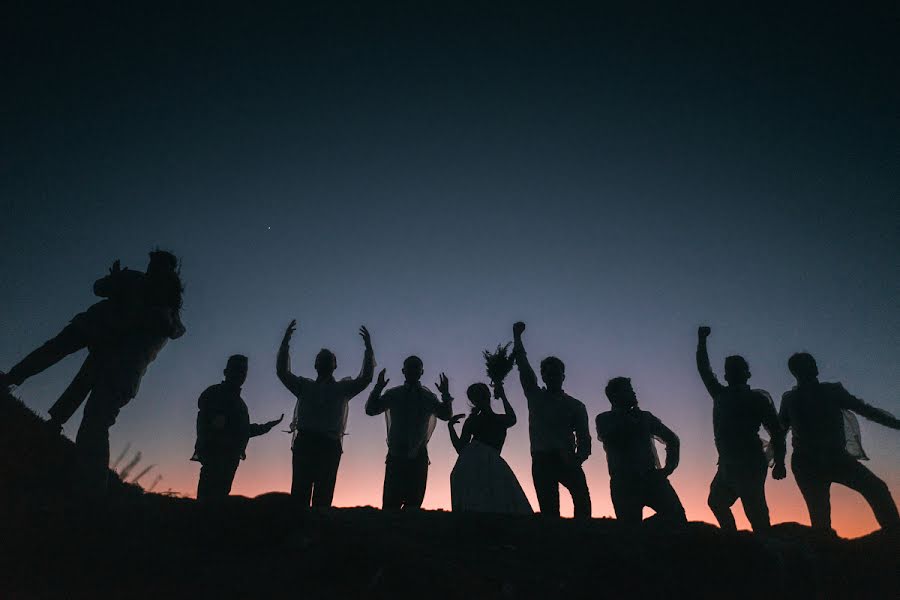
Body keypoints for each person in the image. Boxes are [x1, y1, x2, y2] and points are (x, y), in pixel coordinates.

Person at [1, 250, 186, 496]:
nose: (153, 268)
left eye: (159, 266)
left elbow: (147, 322)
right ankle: (15, 382)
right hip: (96, 330)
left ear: (167, 271)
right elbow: (100, 289)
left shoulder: (163, 309)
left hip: (111, 348)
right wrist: (115, 282)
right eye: (153, 264)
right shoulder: (138, 284)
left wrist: (124, 293)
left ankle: (89, 486)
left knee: (89, 403)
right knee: (57, 354)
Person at [780, 352, 900, 532]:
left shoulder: (830, 391)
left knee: (876, 489)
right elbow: (779, 431)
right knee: (821, 516)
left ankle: (893, 537)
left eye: (812, 362)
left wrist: (896, 424)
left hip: (832, 458)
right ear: (797, 371)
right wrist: (778, 463)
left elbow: (866, 411)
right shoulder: (792, 398)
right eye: (809, 364)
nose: (815, 366)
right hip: (808, 463)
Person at [277, 319, 375, 508]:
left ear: (335, 365)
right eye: (320, 359)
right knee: (299, 494)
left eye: (328, 359)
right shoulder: (304, 386)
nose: (324, 362)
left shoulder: (343, 388)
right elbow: (282, 372)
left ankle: (318, 535)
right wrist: (285, 343)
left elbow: (366, 378)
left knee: (324, 496)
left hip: (329, 445)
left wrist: (369, 349)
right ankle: (300, 534)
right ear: (315, 365)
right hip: (305, 443)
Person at [696, 326, 786, 532]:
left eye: (738, 369)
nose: (733, 372)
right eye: (729, 369)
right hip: (727, 463)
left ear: (747, 374)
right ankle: (733, 539)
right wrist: (701, 341)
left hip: (750, 463)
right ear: (726, 376)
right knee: (717, 502)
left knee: (755, 513)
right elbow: (704, 369)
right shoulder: (720, 394)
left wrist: (779, 462)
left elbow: (776, 431)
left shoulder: (757, 399)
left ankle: (766, 551)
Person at [511, 321, 591, 519]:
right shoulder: (535, 395)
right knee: (549, 511)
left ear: (563, 376)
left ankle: (584, 540)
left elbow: (584, 438)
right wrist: (517, 337)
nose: (553, 376)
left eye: (556, 372)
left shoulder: (576, 405)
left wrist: (577, 459)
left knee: (582, 502)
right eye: (548, 372)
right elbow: (523, 365)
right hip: (542, 459)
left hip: (567, 458)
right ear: (543, 376)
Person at [596, 377, 686, 525]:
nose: (634, 393)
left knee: (677, 517)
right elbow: (610, 437)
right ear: (614, 396)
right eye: (628, 390)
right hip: (624, 483)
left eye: (632, 390)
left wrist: (668, 468)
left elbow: (672, 439)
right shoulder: (604, 418)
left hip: (651, 478)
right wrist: (630, 420)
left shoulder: (645, 417)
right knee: (630, 531)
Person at [365, 356, 453, 510]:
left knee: (414, 504)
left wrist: (445, 394)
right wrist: (378, 387)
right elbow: (371, 410)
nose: (413, 370)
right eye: (410, 367)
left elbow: (446, 415)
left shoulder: (428, 397)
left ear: (422, 372)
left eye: (416, 367)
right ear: (403, 371)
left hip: (419, 455)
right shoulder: (394, 394)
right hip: (396, 454)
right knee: (391, 505)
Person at [192, 355, 283, 501]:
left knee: (219, 500)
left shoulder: (240, 404)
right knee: (207, 502)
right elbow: (206, 423)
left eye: (243, 372)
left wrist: (267, 427)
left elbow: (243, 430)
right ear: (226, 371)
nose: (240, 375)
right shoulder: (213, 394)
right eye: (236, 370)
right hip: (215, 457)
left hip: (230, 459)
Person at [448, 381, 532, 514]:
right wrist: (451, 428)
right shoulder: (474, 421)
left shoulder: (490, 420)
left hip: (484, 463)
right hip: (472, 465)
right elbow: (460, 449)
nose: (480, 398)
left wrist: (503, 395)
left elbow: (512, 419)